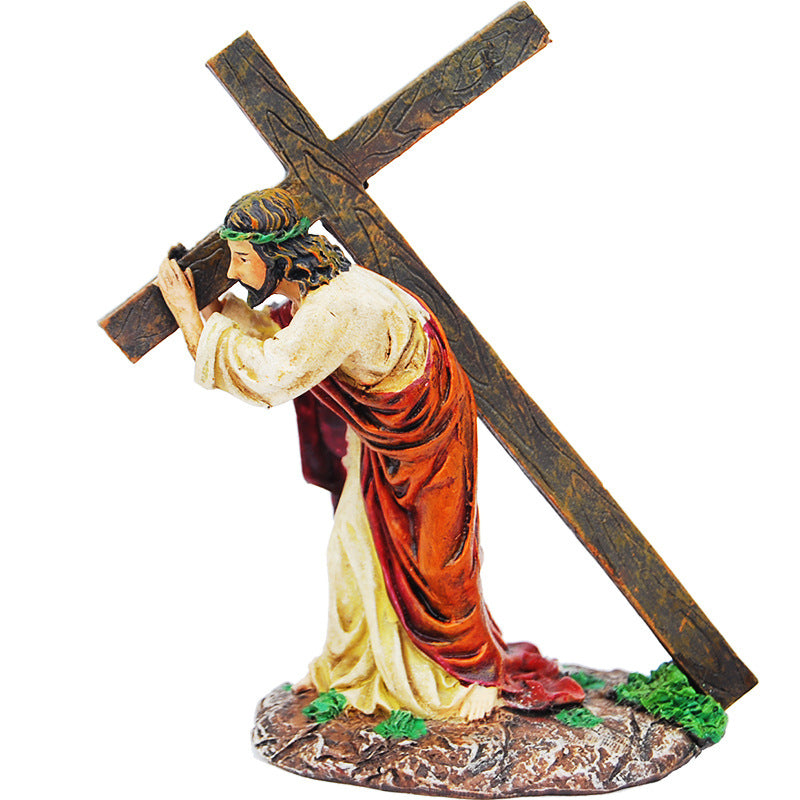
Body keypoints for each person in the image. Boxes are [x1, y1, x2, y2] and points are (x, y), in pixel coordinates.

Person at [157, 188, 584, 720]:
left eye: (243, 258)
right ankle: (356, 664)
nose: (235, 272)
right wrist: (220, 312)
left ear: (279, 253)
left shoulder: (335, 308)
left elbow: (269, 375)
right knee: (352, 553)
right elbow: (287, 341)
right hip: (382, 442)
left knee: (427, 565)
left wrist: (190, 319)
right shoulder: (321, 293)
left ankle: (452, 680)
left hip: (421, 446)